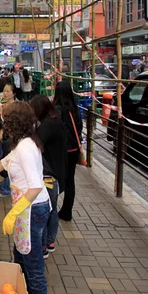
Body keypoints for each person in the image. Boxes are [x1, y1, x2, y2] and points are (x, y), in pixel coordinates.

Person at [0, 103, 51, 294]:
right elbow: (0, 167)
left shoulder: (25, 148)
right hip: (29, 210)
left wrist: (13, 214)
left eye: (5, 121)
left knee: (34, 270)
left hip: (32, 210)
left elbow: (35, 187)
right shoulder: (22, 145)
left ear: (14, 124)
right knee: (22, 258)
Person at [31, 95, 67, 257]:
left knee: (46, 210)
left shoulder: (47, 125)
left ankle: (45, 245)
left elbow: (35, 145)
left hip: (50, 175)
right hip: (58, 172)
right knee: (51, 210)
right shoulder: (55, 120)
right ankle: (50, 242)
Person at [53, 81, 82, 222]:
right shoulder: (75, 108)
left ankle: (51, 209)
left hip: (62, 151)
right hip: (74, 149)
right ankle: (67, 211)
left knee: (57, 179)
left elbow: (57, 130)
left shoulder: (58, 109)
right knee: (70, 180)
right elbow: (80, 127)